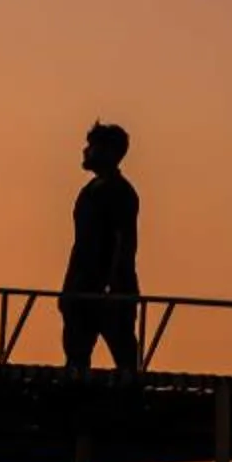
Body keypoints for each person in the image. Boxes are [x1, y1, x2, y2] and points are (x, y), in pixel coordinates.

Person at [61, 121, 142, 374]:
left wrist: (112, 286)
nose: (86, 151)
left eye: (92, 146)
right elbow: (82, 243)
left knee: (125, 358)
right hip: (82, 287)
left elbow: (123, 242)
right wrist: (69, 288)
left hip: (110, 291)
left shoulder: (120, 192)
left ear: (109, 152)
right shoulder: (89, 191)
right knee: (76, 357)